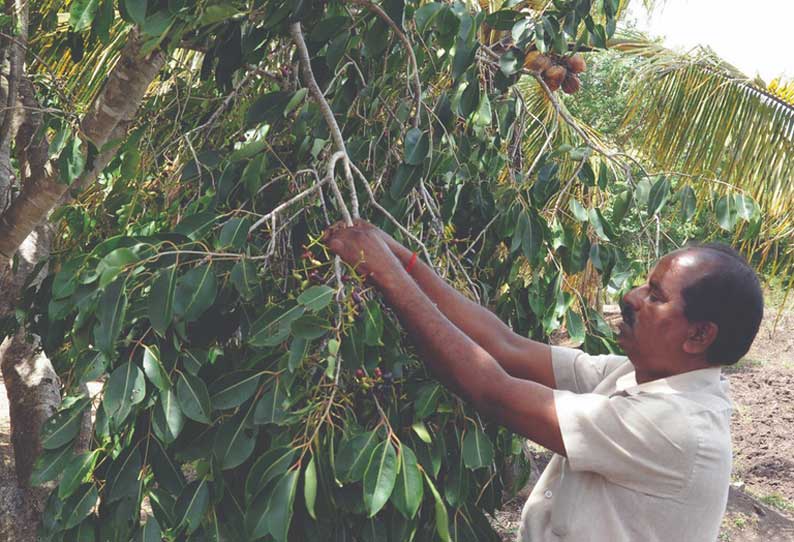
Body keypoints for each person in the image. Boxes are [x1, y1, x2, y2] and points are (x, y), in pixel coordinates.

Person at [325, 219, 764, 542]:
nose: (630, 297)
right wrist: (403, 259)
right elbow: (504, 346)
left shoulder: (677, 426)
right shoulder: (636, 375)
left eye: (655, 296)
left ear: (699, 335)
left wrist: (385, 274)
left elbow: (493, 391)